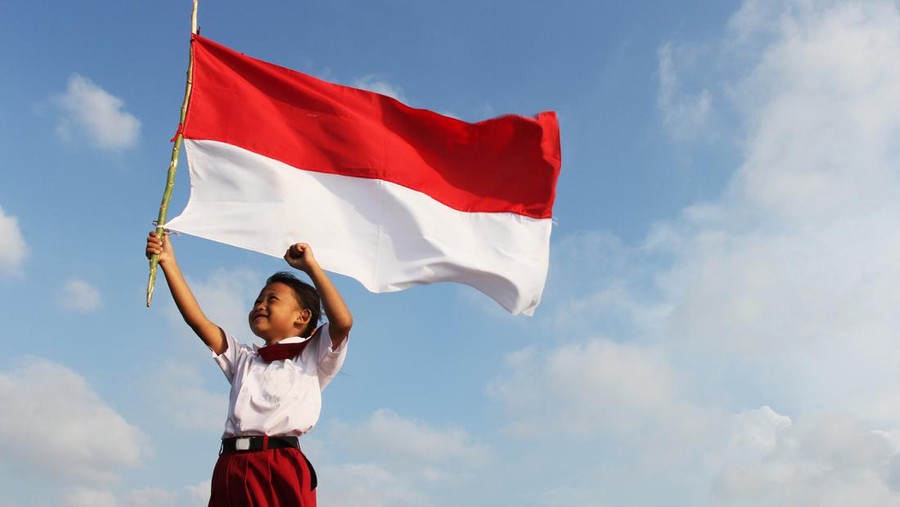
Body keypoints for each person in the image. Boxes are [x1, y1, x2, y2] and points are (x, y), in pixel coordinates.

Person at [145, 230, 353, 506]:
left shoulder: (312, 355)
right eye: (258, 301)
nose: (260, 306)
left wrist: (311, 267)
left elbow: (343, 321)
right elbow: (198, 321)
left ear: (302, 317)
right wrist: (168, 261)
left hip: (278, 465)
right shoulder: (244, 356)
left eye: (272, 300)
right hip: (230, 465)